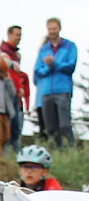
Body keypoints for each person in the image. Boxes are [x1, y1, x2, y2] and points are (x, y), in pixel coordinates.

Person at [33, 18, 77, 148]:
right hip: (46, 92)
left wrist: (55, 63)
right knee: (50, 127)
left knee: (64, 125)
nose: (52, 31)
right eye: (50, 29)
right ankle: (55, 152)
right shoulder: (44, 49)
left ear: (59, 29)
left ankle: (70, 151)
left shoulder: (70, 46)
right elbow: (38, 70)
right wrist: (49, 67)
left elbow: (71, 66)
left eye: (54, 28)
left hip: (62, 90)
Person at [1, 25, 28, 153]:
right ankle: (8, 154)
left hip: (16, 94)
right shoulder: (4, 51)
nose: (19, 38)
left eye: (20, 35)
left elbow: (17, 75)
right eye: (17, 35)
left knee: (16, 127)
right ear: (9, 34)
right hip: (7, 93)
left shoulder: (16, 54)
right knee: (9, 126)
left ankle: (15, 155)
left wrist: (21, 88)